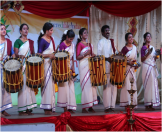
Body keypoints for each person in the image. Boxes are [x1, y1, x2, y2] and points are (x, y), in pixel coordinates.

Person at [14, 23, 37, 116]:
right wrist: (20, 56)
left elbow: (33, 53)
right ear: (20, 31)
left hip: (29, 66)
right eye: (24, 29)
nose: (26, 30)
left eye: (27, 29)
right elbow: (15, 54)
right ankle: (22, 109)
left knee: (29, 87)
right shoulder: (17, 41)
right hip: (21, 66)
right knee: (23, 87)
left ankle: (29, 109)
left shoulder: (31, 42)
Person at [76, 28, 98, 113]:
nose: (86, 34)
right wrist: (86, 54)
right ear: (81, 35)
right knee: (85, 85)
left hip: (90, 65)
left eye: (86, 32)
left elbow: (91, 55)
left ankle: (90, 106)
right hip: (83, 65)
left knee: (92, 85)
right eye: (84, 33)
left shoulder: (90, 44)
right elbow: (77, 57)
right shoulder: (80, 44)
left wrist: (93, 55)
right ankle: (84, 107)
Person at [97, 25, 118, 113]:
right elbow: (99, 55)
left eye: (108, 30)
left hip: (113, 66)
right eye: (106, 31)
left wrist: (118, 55)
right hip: (105, 66)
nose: (108, 32)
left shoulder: (111, 42)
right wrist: (106, 59)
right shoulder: (101, 42)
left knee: (114, 86)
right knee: (106, 87)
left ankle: (112, 105)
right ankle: (107, 106)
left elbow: (115, 52)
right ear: (102, 33)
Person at [37, 22, 56, 115]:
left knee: (51, 86)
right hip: (45, 65)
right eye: (51, 30)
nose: (52, 32)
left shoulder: (51, 39)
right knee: (46, 86)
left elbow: (54, 52)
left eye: (52, 30)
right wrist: (49, 55)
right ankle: (46, 107)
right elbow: (39, 54)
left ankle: (51, 106)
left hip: (51, 65)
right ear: (46, 31)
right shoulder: (42, 40)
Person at [57, 29, 77, 114]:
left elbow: (72, 58)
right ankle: (65, 107)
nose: (71, 41)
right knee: (64, 88)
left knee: (71, 88)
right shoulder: (62, 45)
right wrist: (66, 70)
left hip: (70, 68)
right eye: (70, 39)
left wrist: (73, 69)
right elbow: (61, 59)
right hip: (63, 68)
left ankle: (70, 107)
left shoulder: (72, 45)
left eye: (72, 39)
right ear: (66, 37)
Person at [141, 32, 160, 111]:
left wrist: (156, 57)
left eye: (150, 36)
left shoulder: (152, 47)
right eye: (147, 36)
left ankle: (152, 103)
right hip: (146, 67)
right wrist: (148, 53)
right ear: (145, 38)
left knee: (153, 85)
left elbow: (153, 58)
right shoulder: (143, 48)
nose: (149, 37)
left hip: (152, 67)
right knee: (148, 86)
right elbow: (142, 59)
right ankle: (147, 104)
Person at [120, 32, 138, 110]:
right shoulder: (124, 49)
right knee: (126, 85)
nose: (131, 39)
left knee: (133, 85)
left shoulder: (134, 48)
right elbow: (121, 60)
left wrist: (136, 64)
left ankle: (133, 103)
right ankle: (126, 103)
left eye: (132, 37)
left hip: (133, 69)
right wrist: (128, 62)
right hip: (126, 69)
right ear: (126, 39)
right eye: (129, 37)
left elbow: (136, 60)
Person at [0, 23, 15, 117]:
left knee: (6, 88)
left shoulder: (8, 42)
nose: (4, 30)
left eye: (4, 29)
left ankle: (4, 109)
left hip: (6, 68)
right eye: (1, 29)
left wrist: (14, 61)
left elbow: (12, 53)